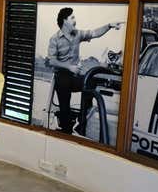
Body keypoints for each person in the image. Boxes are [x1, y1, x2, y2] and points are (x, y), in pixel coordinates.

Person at [47, 7, 123, 135]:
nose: (75, 21)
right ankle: (66, 129)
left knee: (90, 82)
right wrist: (69, 67)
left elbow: (94, 33)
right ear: (64, 21)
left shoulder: (78, 34)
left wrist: (109, 25)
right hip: (62, 76)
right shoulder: (54, 39)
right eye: (72, 18)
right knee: (64, 98)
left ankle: (82, 121)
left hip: (75, 75)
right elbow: (51, 61)